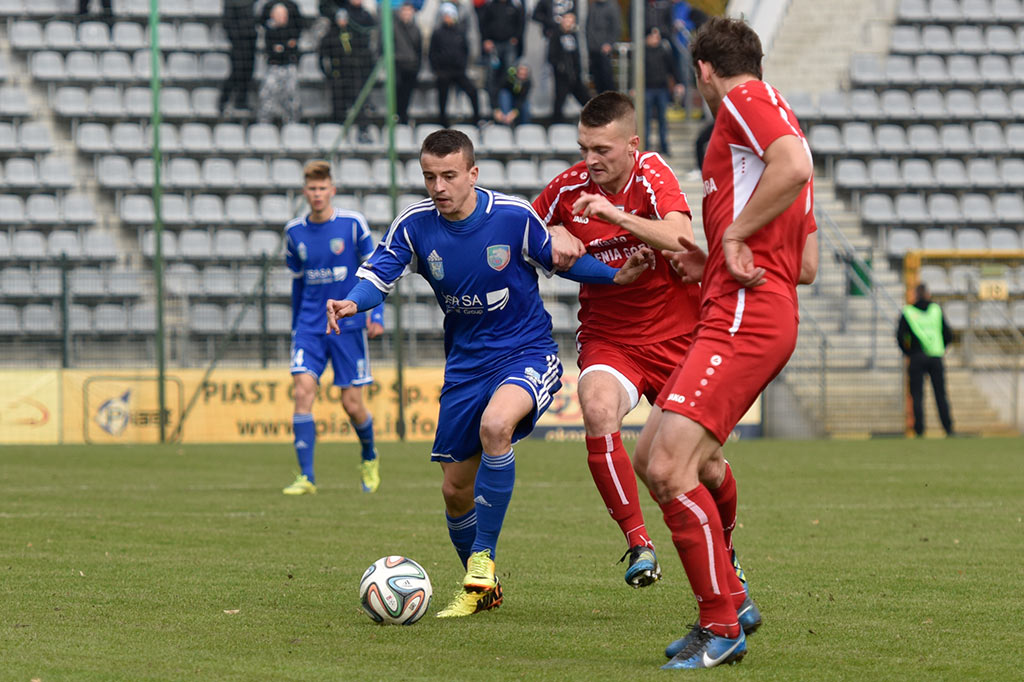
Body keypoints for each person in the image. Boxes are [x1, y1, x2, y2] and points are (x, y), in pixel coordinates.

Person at [326, 129, 655, 618]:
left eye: (449, 175)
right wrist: (353, 300)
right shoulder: (414, 226)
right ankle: (486, 589)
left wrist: (615, 276)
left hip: (526, 352)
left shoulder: (512, 216)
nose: (438, 186)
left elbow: (560, 261)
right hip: (465, 366)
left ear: (472, 174)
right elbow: (378, 275)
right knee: (455, 490)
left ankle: (482, 561)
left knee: (496, 426)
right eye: (430, 176)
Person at [640, 17, 817, 669]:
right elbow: (807, 263)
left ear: (704, 73)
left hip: (745, 314)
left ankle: (721, 623)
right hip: (736, 306)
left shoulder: (746, 101)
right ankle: (732, 594)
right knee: (652, 454)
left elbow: (793, 165)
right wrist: (715, 255)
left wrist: (736, 238)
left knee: (668, 469)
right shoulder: (756, 133)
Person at [533, 91, 712, 590]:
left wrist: (615, 218)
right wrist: (552, 241)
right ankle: (638, 543)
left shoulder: (653, 173)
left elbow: (679, 236)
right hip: (611, 337)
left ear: (632, 144)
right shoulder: (568, 187)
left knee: (709, 465)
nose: (590, 160)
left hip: (679, 335)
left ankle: (728, 548)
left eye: (602, 150)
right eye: (583, 147)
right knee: (596, 407)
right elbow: (524, 233)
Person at [283, 161, 385, 496]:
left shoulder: (353, 225)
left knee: (352, 404)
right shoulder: (293, 232)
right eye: (311, 189)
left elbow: (375, 272)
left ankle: (369, 455)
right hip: (310, 327)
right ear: (305, 192)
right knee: (302, 393)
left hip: (347, 325)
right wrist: (297, 324)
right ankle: (307, 477)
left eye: (322, 188)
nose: (317, 194)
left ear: (332, 190)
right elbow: (298, 283)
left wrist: (376, 315)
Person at [897, 283, 955, 436]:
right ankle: (948, 428)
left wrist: (908, 352)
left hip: (916, 357)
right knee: (940, 394)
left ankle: (919, 430)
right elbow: (948, 334)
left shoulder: (908, 312)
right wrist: (940, 347)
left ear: (915, 294)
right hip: (936, 356)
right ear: (928, 294)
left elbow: (900, 336)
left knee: (917, 396)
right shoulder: (936, 310)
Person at [319, 1, 378, 140]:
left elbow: (368, 53)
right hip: (338, 76)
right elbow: (322, 57)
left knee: (359, 104)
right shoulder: (331, 36)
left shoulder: (357, 34)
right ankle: (338, 135)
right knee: (338, 106)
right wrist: (328, 74)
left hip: (355, 74)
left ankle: (363, 133)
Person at [428, 3, 482, 128]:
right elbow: (432, 52)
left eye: (450, 15)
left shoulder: (460, 32)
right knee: (442, 97)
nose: (448, 18)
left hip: (458, 71)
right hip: (443, 71)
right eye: (446, 15)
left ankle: (477, 119)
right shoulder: (437, 33)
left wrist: (462, 64)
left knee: (473, 91)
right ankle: (442, 121)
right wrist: (436, 69)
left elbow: (465, 50)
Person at [258, 1, 305, 124]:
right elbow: (272, 50)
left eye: (283, 15)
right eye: (278, 15)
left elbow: (293, 48)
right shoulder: (269, 31)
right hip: (273, 67)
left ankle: (292, 123)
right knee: (267, 94)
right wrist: (285, 47)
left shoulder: (293, 27)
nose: (281, 18)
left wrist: (283, 48)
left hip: (290, 67)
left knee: (292, 96)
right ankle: (264, 124)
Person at [643, 27, 684, 155]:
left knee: (662, 119)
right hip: (647, 89)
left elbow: (672, 67)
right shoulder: (643, 53)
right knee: (646, 119)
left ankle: (664, 146)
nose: (656, 39)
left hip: (661, 89)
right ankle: (646, 146)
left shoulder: (663, 51)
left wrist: (678, 82)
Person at [479, 0, 525, 112]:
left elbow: (521, 24)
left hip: (509, 45)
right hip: (494, 45)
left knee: (511, 73)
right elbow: (482, 24)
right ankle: (494, 107)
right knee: (491, 76)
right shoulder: (489, 6)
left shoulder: (514, 6)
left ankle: (511, 106)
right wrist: (486, 40)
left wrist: (516, 37)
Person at [547, 12, 590, 124]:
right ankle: (556, 125)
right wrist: (560, 67)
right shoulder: (556, 35)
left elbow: (576, 55)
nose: (569, 23)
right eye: (567, 20)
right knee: (559, 101)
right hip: (562, 76)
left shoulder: (573, 36)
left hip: (575, 75)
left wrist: (578, 70)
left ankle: (595, 121)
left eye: (571, 21)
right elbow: (551, 56)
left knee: (586, 100)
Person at [219, 0, 258, 113]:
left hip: (250, 39)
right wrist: (236, 38)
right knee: (237, 72)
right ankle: (223, 101)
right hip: (239, 41)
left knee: (248, 72)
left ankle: (241, 101)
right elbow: (227, 23)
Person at [393, 1, 423, 125]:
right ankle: (397, 116)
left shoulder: (416, 29)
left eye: (408, 11)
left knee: (406, 94)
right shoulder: (394, 28)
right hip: (398, 65)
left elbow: (419, 50)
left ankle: (403, 117)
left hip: (411, 67)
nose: (406, 14)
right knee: (397, 92)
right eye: (404, 11)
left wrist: (417, 67)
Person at [586, 0, 622, 95]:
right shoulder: (593, 6)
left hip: (604, 50)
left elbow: (616, 28)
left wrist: (609, 43)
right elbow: (588, 26)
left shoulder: (612, 6)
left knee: (607, 79)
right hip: (593, 49)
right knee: (597, 79)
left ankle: (612, 104)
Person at [493, 61, 531, 126]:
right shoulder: (508, 78)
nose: (521, 76)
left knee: (526, 105)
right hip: (506, 100)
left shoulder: (527, 83)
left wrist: (514, 113)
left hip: (517, 103)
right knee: (504, 94)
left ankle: (525, 128)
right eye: (520, 73)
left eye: (524, 75)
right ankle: (505, 123)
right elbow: (496, 91)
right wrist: (496, 109)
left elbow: (522, 99)